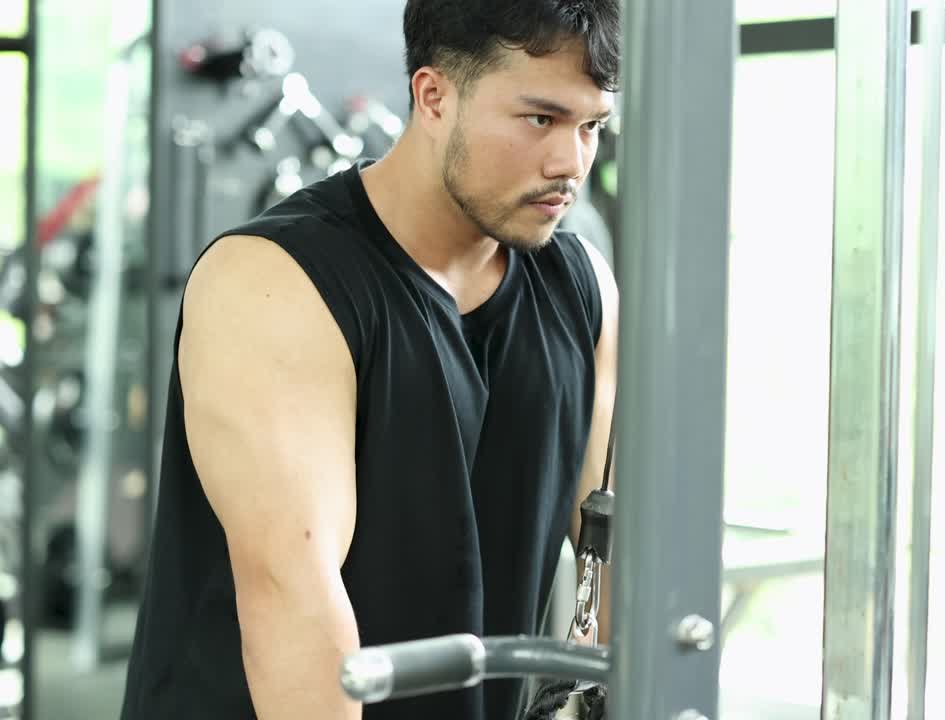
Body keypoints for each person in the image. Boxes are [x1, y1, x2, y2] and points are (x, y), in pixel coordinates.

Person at [120, 1, 621, 718]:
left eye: (591, 126)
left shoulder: (582, 287)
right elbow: (297, 615)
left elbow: (613, 574)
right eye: (539, 119)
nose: (569, 163)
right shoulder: (274, 282)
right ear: (434, 96)